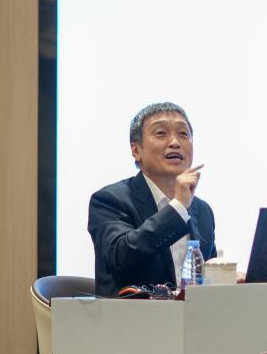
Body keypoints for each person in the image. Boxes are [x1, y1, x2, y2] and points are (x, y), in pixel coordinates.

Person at [88, 102, 217, 297]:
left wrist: (227, 278)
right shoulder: (109, 200)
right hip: (131, 314)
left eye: (183, 134)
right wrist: (178, 208)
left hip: (191, 315)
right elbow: (122, 257)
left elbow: (205, 275)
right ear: (136, 150)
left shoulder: (202, 210)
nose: (175, 142)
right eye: (161, 133)